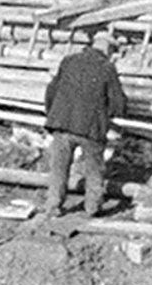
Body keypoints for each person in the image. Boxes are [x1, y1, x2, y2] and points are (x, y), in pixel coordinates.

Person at [40, 22, 127, 224]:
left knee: (59, 167)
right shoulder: (107, 68)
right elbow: (118, 104)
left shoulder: (69, 61)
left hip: (62, 124)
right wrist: (112, 114)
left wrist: (53, 114)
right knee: (94, 168)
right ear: (108, 49)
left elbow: (51, 91)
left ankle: (53, 205)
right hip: (90, 128)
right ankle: (92, 208)